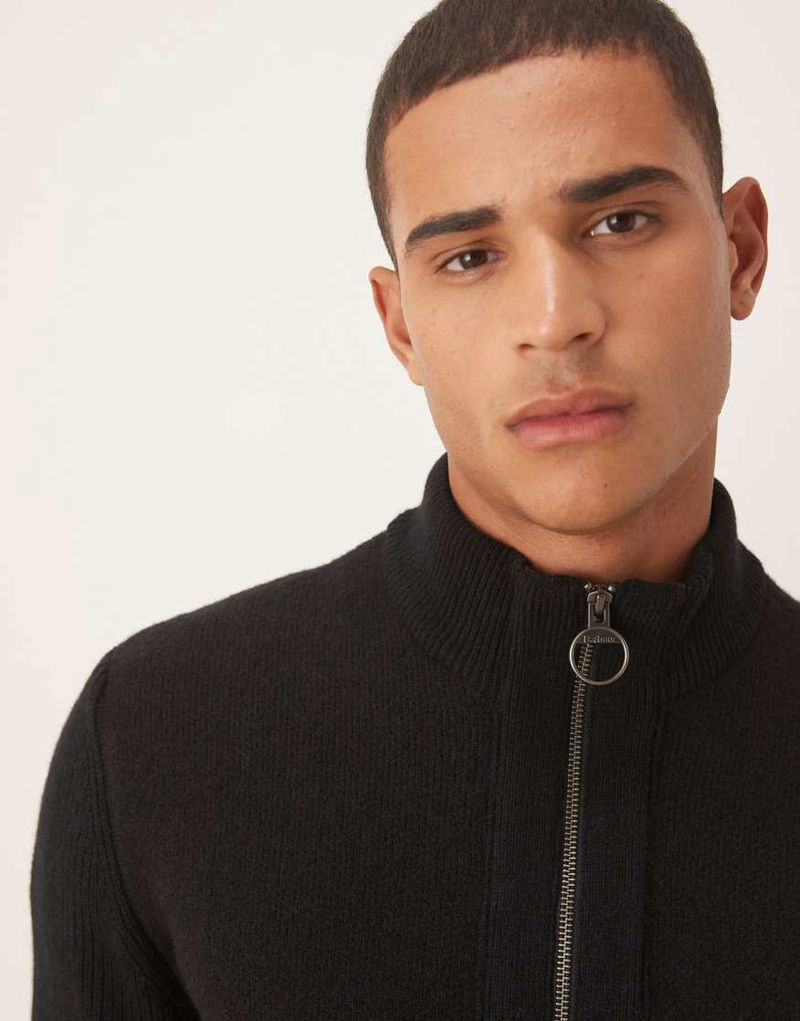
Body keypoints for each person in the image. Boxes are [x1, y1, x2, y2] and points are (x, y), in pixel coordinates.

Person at [30, 0, 797, 1017]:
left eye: (619, 222)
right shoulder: (154, 738)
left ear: (740, 249)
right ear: (401, 328)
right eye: (470, 256)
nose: (555, 320)